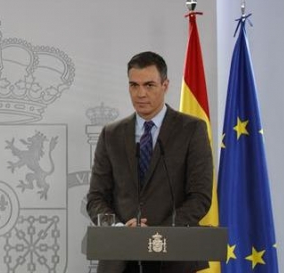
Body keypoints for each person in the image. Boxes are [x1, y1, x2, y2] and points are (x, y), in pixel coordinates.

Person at [86, 52, 213, 273]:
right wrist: (118, 229)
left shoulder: (192, 130)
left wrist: (156, 235)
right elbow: (96, 198)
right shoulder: (111, 134)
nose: (141, 93)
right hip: (121, 260)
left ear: (165, 85)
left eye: (149, 85)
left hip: (174, 259)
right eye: (134, 85)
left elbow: (200, 197)